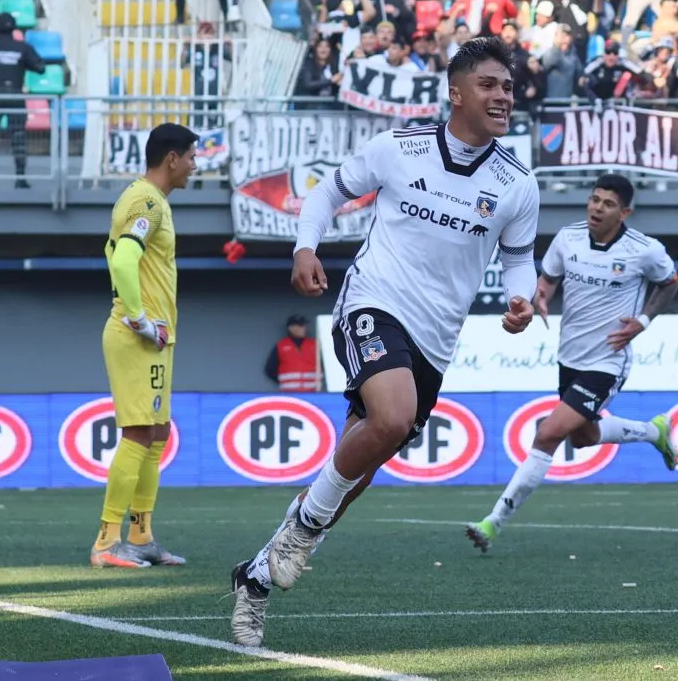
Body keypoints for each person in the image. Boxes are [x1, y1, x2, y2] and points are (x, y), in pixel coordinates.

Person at [228, 36, 540, 647]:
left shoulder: (517, 184)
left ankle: (257, 575)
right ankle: (295, 539)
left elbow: (519, 257)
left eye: (508, 86)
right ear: (456, 92)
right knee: (391, 418)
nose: (503, 95)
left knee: (364, 460)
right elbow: (326, 192)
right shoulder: (399, 147)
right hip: (375, 301)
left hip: (437, 338)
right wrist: (305, 246)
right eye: (489, 84)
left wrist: (521, 296)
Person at [464, 174, 678, 553]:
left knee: (548, 433)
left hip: (607, 362)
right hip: (569, 358)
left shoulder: (644, 250)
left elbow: (671, 282)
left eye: (608, 204)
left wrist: (643, 322)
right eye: (594, 199)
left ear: (625, 211)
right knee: (583, 437)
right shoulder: (568, 238)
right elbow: (548, 279)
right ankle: (653, 431)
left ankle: (493, 522)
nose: (597, 208)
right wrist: (541, 297)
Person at [90, 123, 198, 568]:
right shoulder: (146, 200)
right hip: (138, 335)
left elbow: (113, 250)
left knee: (157, 433)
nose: (195, 165)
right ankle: (106, 541)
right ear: (171, 158)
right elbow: (123, 256)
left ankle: (140, 535)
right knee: (138, 433)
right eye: (192, 156)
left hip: (154, 338)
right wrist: (138, 318)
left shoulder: (153, 201)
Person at [0, 12, 45, 188]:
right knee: (18, 137)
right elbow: (40, 67)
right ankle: (20, 177)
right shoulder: (23, 47)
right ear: (15, 28)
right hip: (15, 97)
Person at [264, 314, 319, 392]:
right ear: (291, 328)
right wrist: (284, 382)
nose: (303, 328)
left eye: (304, 325)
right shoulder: (281, 346)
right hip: (289, 393)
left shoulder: (315, 344)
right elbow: (270, 369)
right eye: (300, 325)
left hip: (313, 392)